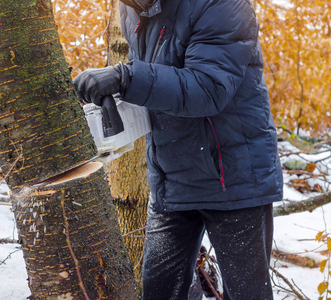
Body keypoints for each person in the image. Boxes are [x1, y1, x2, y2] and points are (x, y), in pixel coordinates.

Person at [73, 0, 283, 299]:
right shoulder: (132, 8)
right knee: (158, 292)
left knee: (248, 294)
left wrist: (126, 77)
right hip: (172, 178)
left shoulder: (222, 4)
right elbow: (154, 80)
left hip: (233, 179)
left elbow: (208, 88)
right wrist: (112, 91)